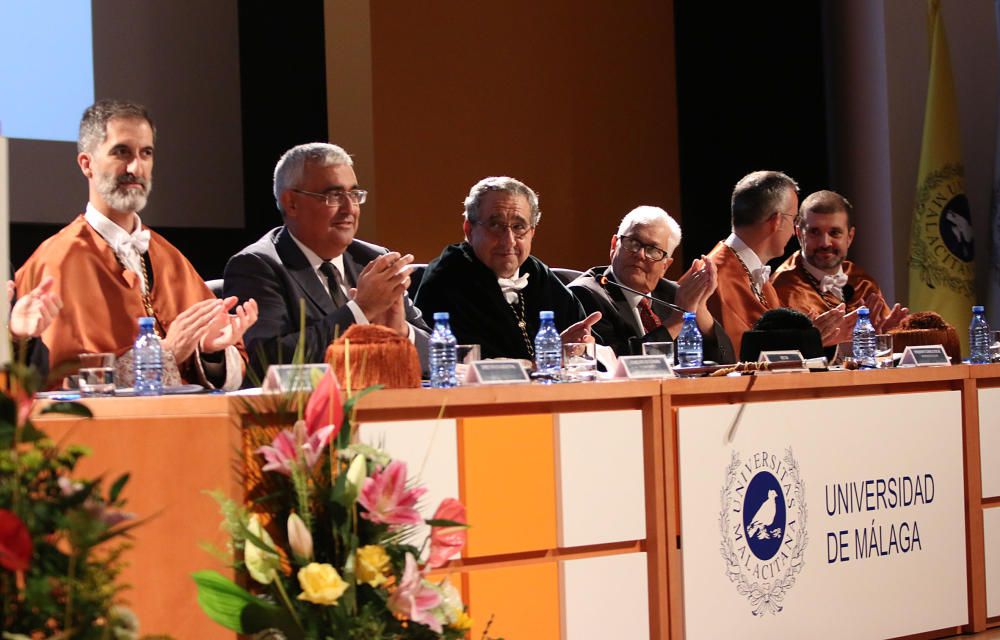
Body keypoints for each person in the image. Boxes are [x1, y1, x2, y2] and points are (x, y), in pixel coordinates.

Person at [15, 99, 256, 389]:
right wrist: (165, 354)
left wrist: (210, 351)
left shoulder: (167, 255)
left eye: (146, 153)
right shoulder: (57, 260)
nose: (136, 167)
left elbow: (218, 364)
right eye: (121, 152)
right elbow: (55, 388)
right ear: (87, 164)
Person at [224, 143, 430, 380]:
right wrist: (361, 310)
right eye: (334, 196)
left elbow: (439, 356)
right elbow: (267, 362)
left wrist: (401, 333)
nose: (349, 208)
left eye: (354, 194)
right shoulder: (257, 266)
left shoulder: (372, 260)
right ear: (291, 203)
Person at [414, 176, 599, 360]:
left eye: (519, 227)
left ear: (532, 233)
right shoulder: (446, 278)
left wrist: (580, 345)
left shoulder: (537, 273)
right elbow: (462, 364)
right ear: (469, 230)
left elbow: (588, 346)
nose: (508, 240)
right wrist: (545, 361)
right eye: (495, 225)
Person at [706, 170, 852, 356]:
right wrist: (805, 340)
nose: (793, 232)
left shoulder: (755, 274)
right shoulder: (716, 276)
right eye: (793, 220)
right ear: (777, 221)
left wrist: (816, 339)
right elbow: (737, 357)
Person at [569, 206, 734, 362]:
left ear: (665, 265)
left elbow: (726, 360)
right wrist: (677, 320)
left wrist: (699, 307)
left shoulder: (672, 294)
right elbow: (616, 362)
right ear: (614, 246)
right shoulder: (585, 295)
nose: (640, 255)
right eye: (633, 243)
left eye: (653, 251)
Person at [772, 190, 907, 333]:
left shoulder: (863, 282)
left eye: (834, 233)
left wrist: (884, 335)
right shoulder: (782, 288)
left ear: (849, 237)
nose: (825, 243)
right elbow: (782, 352)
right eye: (815, 232)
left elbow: (879, 340)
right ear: (799, 234)